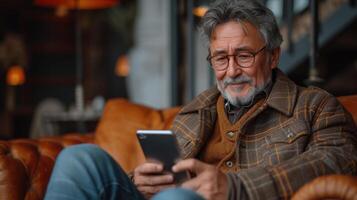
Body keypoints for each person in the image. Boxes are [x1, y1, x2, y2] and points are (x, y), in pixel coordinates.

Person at [44, 0, 357, 199]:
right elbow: (166, 177)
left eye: (244, 55)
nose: (231, 70)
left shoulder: (315, 106)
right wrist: (139, 182)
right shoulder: (196, 110)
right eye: (220, 58)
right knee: (79, 159)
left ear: (273, 56)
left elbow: (336, 161)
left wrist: (236, 189)